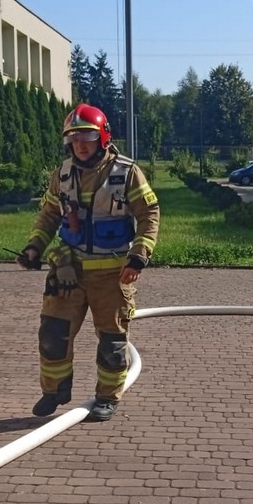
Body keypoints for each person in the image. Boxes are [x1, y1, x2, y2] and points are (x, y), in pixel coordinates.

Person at [17, 103, 160, 422]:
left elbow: (149, 214)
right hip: (68, 271)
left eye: (88, 137)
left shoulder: (126, 172)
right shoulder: (63, 174)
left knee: (112, 342)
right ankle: (54, 390)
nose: (81, 145)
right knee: (52, 335)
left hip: (112, 273)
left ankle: (107, 397)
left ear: (103, 137)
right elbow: (49, 215)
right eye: (74, 139)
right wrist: (34, 247)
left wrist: (139, 255)